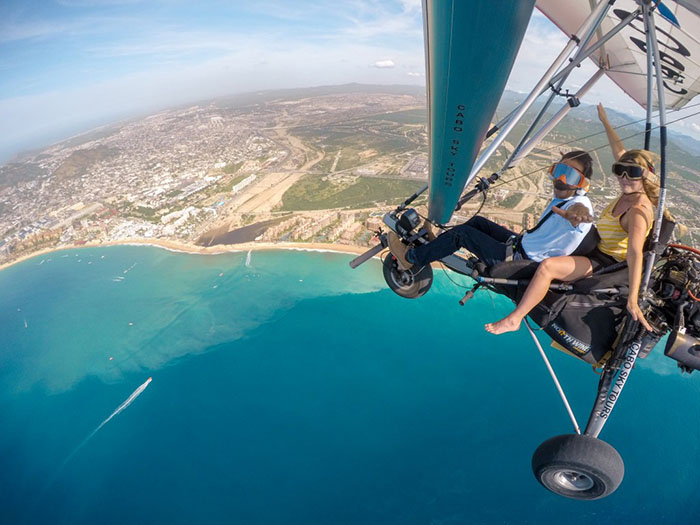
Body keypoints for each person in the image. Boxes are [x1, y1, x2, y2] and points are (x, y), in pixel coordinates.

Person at [485, 122, 659, 335]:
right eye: (619, 171)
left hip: (603, 261)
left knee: (548, 267)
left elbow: (634, 252)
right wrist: (603, 120)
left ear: (646, 176)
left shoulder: (637, 211)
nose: (624, 178)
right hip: (593, 245)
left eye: (631, 173)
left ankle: (515, 319)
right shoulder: (630, 190)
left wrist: (633, 297)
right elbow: (621, 153)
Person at [387, 150, 595, 270]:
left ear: (582, 184)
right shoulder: (565, 196)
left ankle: (411, 258)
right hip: (520, 246)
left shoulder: (578, 206)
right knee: (478, 223)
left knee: (463, 234)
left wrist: (577, 214)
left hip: (521, 262)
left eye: (571, 176)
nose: (561, 180)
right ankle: (438, 245)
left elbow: (580, 212)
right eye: (559, 171)